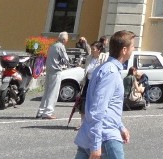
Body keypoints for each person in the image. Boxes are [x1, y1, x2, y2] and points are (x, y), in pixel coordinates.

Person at [74, 30, 135, 159]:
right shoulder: (111, 72)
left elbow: (109, 106)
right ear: (124, 50)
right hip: (105, 138)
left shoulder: (104, 68)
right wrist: (96, 146)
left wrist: (120, 126)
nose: (133, 49)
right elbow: (98, 108)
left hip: (91, 134)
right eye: (132, 46)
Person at [37, 31, 70, 119]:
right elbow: (66, 59)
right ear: (64, 39)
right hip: (55, 71)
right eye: (67, 39)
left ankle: (41, 111)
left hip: (49, 70)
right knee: (53, 93)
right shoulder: (61, 46)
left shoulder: (53, 45)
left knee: (47, 92)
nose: (67, 40)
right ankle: (48, 112)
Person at [78, 41, 105, 127]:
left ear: (99, 50)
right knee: (84, 102)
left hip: (97, 83)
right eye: (92, 49)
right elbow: (86, 69)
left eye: (94, 49)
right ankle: (82, 123)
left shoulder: (103, 58)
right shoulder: (89, 58)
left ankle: (93, 123)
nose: (92, 51)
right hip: (88, 82)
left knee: (95, 102)